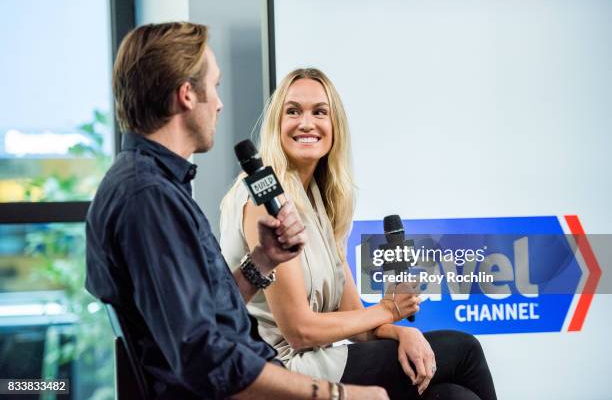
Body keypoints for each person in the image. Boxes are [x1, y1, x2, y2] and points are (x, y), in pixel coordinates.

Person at [85, 22, 389, 400]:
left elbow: (205, 313)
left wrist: (262, 261)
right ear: (186, 95)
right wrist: (334, 395)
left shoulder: (157, 188)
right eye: (214, 86)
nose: (219, 103)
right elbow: (204, 357)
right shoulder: (148, 199)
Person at [220, 68, 498, 400]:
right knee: (464, 351)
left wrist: (398, 332)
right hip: (281, 369)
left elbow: (354, 312)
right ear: (277, 124)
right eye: (292, 111)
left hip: (315, 357)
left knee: (453, 396)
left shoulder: (320, 201)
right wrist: (388, 310)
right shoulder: (266, 199)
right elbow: (300, 331)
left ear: (334, 125)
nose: (306, 123)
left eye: (319, 112)